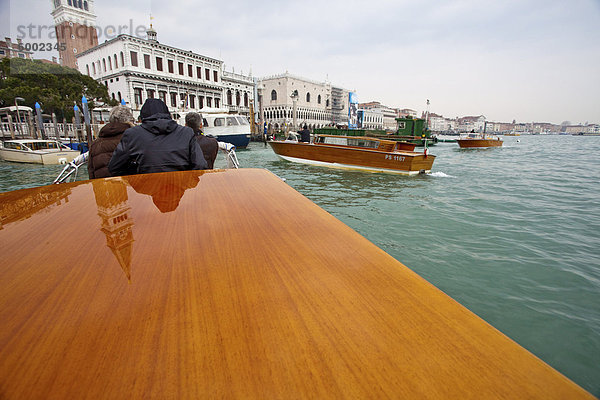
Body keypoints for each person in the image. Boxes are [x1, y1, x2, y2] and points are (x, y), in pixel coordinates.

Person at [108, 99, 207, 176]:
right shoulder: (187, 132)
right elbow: (200, 165)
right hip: (180, 189)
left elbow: (114, 167)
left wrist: (137, 178)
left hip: (146, 192)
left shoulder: (132, 134)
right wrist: (186, 182)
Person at [87, 105, 134, 179]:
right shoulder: (131, 139)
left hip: (102, 187)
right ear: (128, 120)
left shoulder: (95, 144)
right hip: (126, 187)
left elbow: (91, 171)